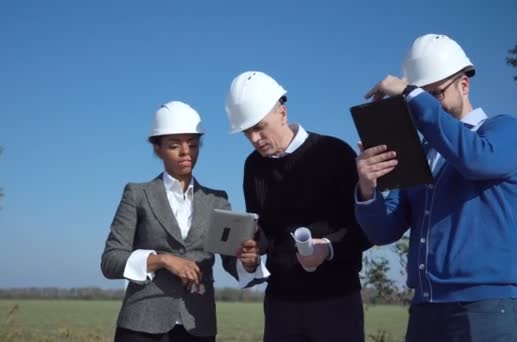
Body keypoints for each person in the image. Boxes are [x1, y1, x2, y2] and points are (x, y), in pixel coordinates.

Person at [354, 33, 517, 341]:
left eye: (434, 93)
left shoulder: (504, 131)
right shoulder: (419, 152)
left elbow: (473, 159)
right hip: (425, 309)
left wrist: (410, 94)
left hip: (485, 309)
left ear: (464, 84)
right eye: (418, 97)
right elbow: (385, 230)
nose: (422, 106)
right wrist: (368, 188)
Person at [224, 71, 372, 342]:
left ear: (282, 112)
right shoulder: (253, 167)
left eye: (260, 127)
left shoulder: (335, 153)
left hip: (336, 302)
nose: (255, 139)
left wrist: (327, 249)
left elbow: (367, 228)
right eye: (247, 132)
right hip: (281, 306)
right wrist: (252, 251)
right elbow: (265, 233)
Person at [100, 101, 257, 342]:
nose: (186, 152)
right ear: (158, 148)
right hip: (141, 324)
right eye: (174, 145)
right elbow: (111, 261)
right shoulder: (137, 194)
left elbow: (230, 258)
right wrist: (162, 260)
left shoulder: (217, 200)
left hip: (198, 323)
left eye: (193, 145)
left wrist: (247, 262)